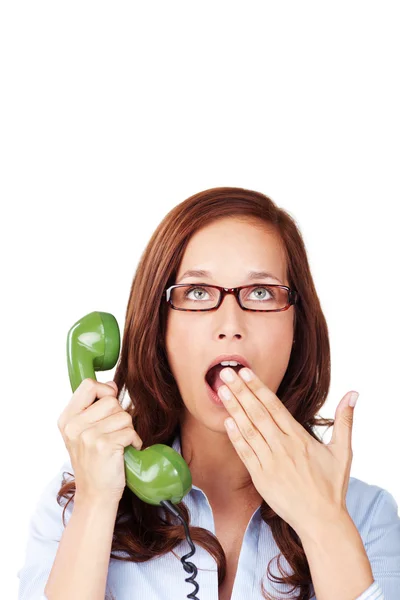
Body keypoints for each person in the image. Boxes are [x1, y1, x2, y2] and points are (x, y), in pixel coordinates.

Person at [17, 187, 399, 600]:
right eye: (197, 293)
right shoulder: (74, 501)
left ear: (297, 329)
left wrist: (324, 522)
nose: (230, 323)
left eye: (261, 293)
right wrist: (95, 501)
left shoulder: (365, 514)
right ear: (159, 326)